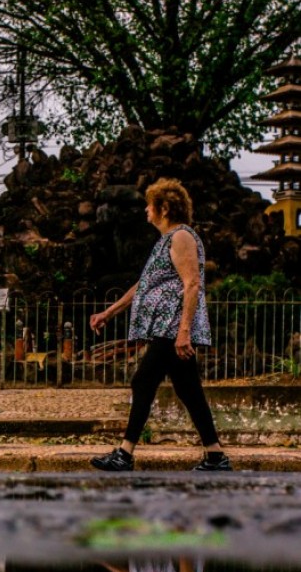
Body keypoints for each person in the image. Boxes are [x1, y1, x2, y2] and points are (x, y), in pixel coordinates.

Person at [89, 178, 231, 472]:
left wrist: (183, 332)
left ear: (163, 208)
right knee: (189, 389)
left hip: (170, 328)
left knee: (143, 380)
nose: (145, 210)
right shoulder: (166, 241)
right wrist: (108, 313)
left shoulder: (181, 237)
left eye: (149, 205)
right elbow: (143, 286)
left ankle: (124, 453)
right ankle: (215, 455)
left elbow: (192, 283)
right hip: (166, 328)